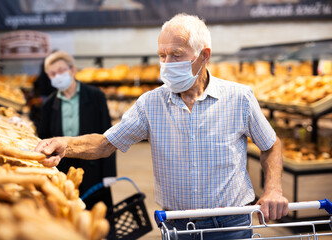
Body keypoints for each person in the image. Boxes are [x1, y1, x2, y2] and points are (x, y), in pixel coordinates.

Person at [36, 14, 288, 239]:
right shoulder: (150, 103)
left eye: (176, 55)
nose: (167, 64)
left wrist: (273, 189)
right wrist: (65, 144)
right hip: (177, 225)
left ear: (204, 55)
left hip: (231, 224)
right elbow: (104, 144)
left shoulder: (239, 98)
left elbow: (271, 144)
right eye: (162, 56)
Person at [37, 50, 116, 211]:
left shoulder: (95, 96)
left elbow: (108, 134)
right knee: (69, 209)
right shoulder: (49, 104)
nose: (57, 76)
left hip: (93, 163)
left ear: (72, 70)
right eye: (52, 74)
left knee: (96, 210)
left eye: (61, 71)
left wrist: (109, 171)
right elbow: (43, 136)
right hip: (62, 165)